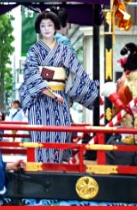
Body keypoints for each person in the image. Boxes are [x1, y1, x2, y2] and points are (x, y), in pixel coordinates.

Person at [19, 10, 98, 163]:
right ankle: (39, 169)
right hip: (39, 100)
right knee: (40, 137)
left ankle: (54, 167)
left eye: (50, 25)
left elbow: (76, 72)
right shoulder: (33, 51)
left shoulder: (64, 50)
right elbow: (31, 75)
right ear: (38, 29)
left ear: (55, 27)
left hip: (59, 98)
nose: (47, 29)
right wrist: (51, 93)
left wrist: (92, 93)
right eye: (43, 26)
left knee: (61, 134)